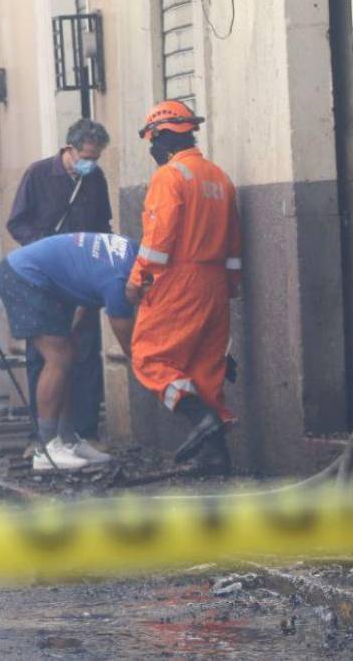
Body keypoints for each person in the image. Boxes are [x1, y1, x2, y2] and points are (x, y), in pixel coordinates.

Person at [124, 100, 241, 474]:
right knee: (205, 368)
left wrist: (138, 279)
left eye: (152, 142)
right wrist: (231, 284)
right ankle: (216, 457)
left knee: (149, 356)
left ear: (161, 138)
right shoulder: (219, 177)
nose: (152, 151)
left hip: (180, 281)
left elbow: (158, 238)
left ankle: (202, 419)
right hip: (216, 284)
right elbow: (235, 243)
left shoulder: (170, 176)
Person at [6, 118, 113, 443]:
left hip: (82, 279)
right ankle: (45, 434)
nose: (90, 164)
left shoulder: (95, 180)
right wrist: (44, 248)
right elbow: (17, 223)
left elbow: (103, 225)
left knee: (85, 351)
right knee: (45, 357)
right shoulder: (38, 175)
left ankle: (84, 431)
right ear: (69, 149)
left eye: (96, 158)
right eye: (86, 157)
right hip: (45, 280)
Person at [0, 233, 137, 471]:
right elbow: (125, 332)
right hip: (23, 276)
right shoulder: (120, 280)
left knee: (67, 354)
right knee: (57, 357)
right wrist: (142, 362)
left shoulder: (131, 253)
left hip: (35, 274)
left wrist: (75, 330)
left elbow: (87, 286)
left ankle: (67, 439)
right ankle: (46, 447)